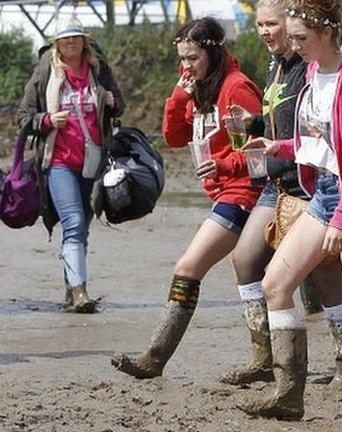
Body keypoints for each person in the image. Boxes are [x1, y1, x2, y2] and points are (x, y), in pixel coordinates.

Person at [236, 0, 342, 422]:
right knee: (275, 284)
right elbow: (319, 142)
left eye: (301, 38)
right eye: (292, 38)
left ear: (327, 32)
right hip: (324, 191)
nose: (294, 45)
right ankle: (289, 393)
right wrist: (279, 147)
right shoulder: (310, 72)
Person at [219, 0, 342, 388]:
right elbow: (290, 120)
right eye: (260, 26)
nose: (265, 32)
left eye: (272, 24)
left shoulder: (311, 64)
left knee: (325, 272)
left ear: (293, 24)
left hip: (309, 183)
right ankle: (263, 357)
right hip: (276, 180)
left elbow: (325, 128)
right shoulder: (277, 64)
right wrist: (252, 124)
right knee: (245, 260)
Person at [111, 17, 264, 378]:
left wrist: (223, 165)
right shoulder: (198, 88)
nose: (186, 66)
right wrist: (179, 94)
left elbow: (258, 153)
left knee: (187, 268)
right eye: (182, 59)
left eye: (192, 58)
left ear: (213, 52)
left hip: (244, 192)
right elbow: (175, 137)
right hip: (223, 192)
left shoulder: (236, 89)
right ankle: (267, 359)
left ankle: (155, 357)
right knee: (251, 274)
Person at [17, 16, 124, 313]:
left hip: (93, 163)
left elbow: (120, 106)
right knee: (74, 223)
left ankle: (69, 288)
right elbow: (24, 116)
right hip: (58, 162)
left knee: (81, 229)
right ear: (57, 44)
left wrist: (113, 102)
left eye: (76, 37)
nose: (71, 42)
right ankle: (80, 293)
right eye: (65, 39)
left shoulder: (98, 70)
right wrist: (47, 120)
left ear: (84, 41)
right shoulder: (44, 72)